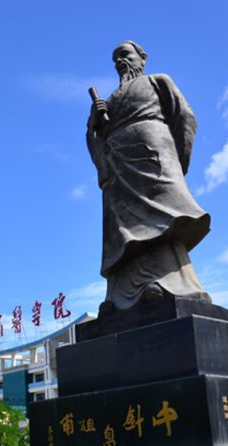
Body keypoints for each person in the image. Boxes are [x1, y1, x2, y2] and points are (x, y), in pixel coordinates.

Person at [87, 41, 212, 315]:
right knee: (124, 231)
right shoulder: (108, 102)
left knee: (161, 220)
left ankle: (171, 284)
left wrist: (176, 160)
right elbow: (96, 139)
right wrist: (94, 123)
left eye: (125, 55)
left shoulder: (158, 81)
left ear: (142, 58)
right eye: (115, 59)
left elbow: (185, 118)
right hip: (118, 167)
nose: (120, 62)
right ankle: (123, 296)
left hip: (154, 155)